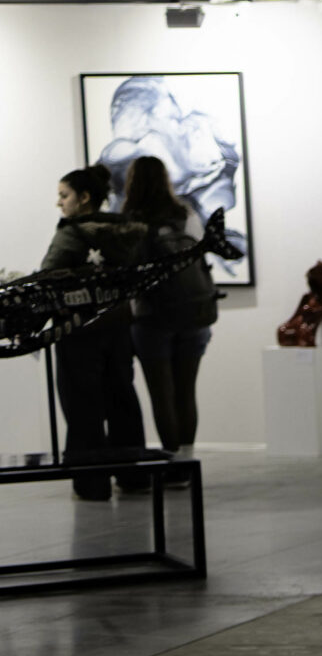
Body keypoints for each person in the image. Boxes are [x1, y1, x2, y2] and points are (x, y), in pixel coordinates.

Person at [41, 166, 151, 500]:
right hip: (117, 324)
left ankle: (92, 483)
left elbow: (48, 279)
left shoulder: (72, 234)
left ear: (84, 197)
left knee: (82, 405)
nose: (59, 203)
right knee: (122, 398)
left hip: (79, 330)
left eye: (64, 195)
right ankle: (133, 476)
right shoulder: (124, 232)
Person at [122, 154, 218, 472]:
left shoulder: (131, 221)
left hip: (152, 318)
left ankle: (172, 465)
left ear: (132, 182)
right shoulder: (186, 214)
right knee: (186, 393)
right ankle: (187, 464)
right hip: (194, 313)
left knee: (162, 395)